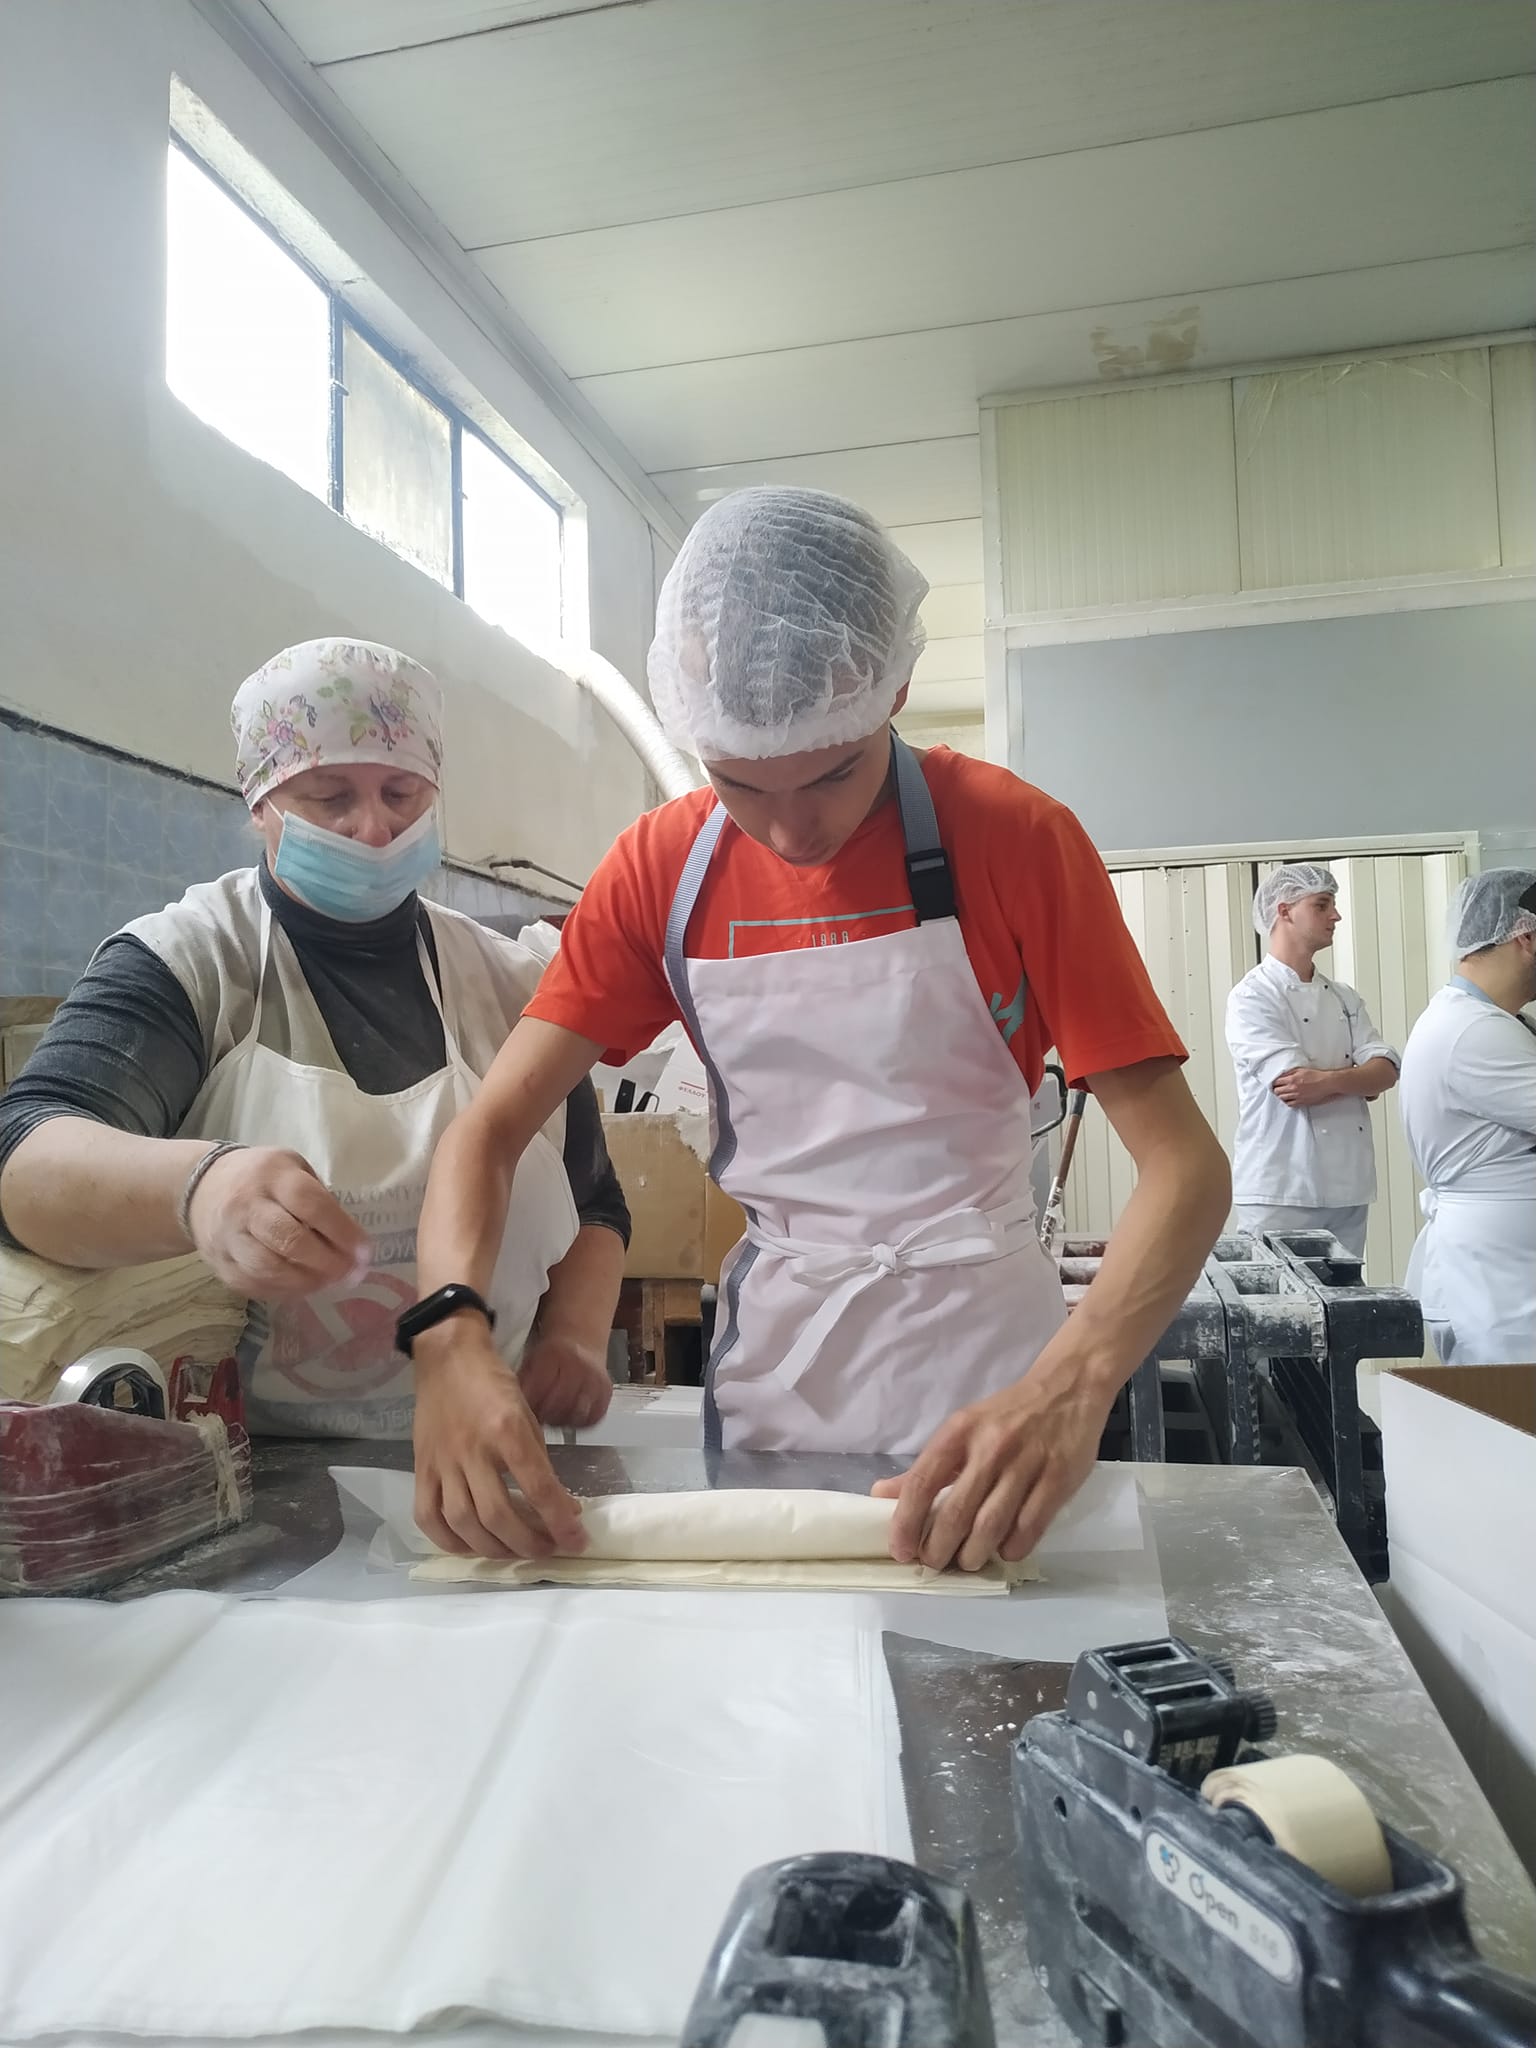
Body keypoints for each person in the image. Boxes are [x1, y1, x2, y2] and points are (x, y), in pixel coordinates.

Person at [404, 487, 1230, 1571]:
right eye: (737, 781)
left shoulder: (1015, 840)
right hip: (778, 1381)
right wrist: (451, 1335)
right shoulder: (664, 869)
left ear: (892, 685)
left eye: (835, 770)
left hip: (993, 1372)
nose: (791, 827)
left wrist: (1068, 1390)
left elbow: (1187, 1170)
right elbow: (490, 1128)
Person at [0, 639, 627, 1438]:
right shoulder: (192, 962)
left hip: (481, 1452)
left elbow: (595, 1199)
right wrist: (199, 1189)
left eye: (403, 794)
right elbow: (22, 1159)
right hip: (239, 1470)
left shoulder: (510, 986)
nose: (374, 829)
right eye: (331, 796)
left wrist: (573, 1336)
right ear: (260, 803)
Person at [1225, 865, 1399, 1260]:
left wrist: (1328, 1082)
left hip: (1348, 1188)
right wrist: (1356, 1079)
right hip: (1280, 1186)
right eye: (1322, 905)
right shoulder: (1252, 996)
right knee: (1273, 1314)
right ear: (1284, 911)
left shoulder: (1344, 997)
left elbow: (1386, 1070)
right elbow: (1294, 1085)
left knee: (1345, 1309)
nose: (1335, 916)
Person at [1399, 870, 1536, 1365]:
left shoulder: (1495, 1023)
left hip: (1503, 1277)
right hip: (1499, 1288)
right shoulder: (1472, 1032)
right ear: (1526, 937)